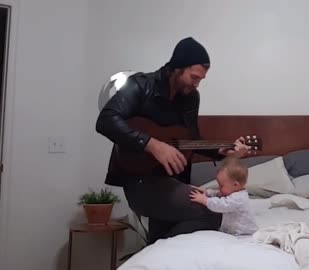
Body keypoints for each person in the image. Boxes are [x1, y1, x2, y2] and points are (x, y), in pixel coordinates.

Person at [95, 37, 248, 244]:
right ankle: (158, 247)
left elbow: (191, 139)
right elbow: (106, 120)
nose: (197, 84)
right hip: (140, 181)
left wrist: (221, 151)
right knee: (211, 210)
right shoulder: (140, 85)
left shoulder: (191, 97)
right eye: (194, 77)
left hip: (174, 180)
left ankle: (156, 252)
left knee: (163, 231)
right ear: (177, 68)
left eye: (201, 80)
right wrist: (152, 144)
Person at [190, 157, 258, 236]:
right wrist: (206, 192)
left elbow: (222, 205)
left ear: (235, 184)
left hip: (243, 231)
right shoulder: (231, 191)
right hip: (230, 228)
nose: (219, 188)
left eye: (221, 185)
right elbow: (218, 193)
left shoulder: (239, 198)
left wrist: (205, 200)